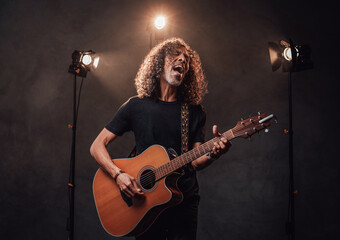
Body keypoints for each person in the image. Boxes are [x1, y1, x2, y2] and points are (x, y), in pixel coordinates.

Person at [90, 38, 232, 240]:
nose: (183, 59)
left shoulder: (194, 111)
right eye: (176, 54)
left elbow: (195, 160)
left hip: (183, 199)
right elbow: (97, 146)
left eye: (187, 59)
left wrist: (214, 154)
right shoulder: (135, 106)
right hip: (145, 200)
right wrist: (118, 174)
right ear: (159, 63)